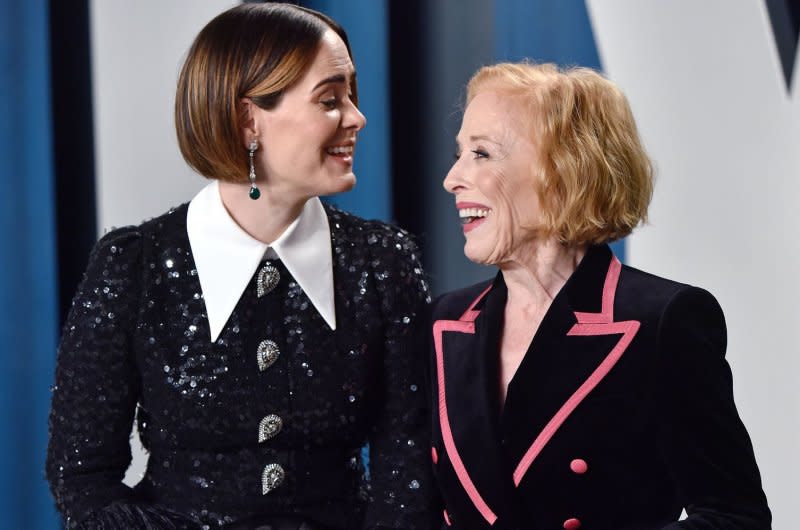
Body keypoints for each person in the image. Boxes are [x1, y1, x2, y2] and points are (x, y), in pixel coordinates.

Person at [46, 4, 437, 529]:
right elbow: (81, 477)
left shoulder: (383, 261)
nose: (356, 117)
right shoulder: (132, 266)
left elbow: (407, 474)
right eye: (329, 99)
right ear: (248, 119)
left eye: (351, 95)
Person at [426, 62, 771, 529]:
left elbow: (734, 515)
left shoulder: (663, 319)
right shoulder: (445, 322)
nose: (452, 178)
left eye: (481, 154)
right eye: (459, 153)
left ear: (563, 168)